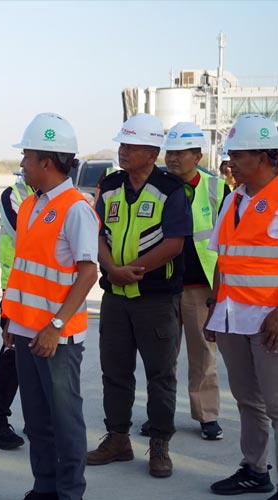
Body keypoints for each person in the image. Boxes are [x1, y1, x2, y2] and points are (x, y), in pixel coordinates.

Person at [87, 113, 192, 478]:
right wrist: (112, 269)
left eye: (131, 146)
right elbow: (97, 233)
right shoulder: (112, 184)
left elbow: (175, 244)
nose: (123, 151)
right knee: (115, 372)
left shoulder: (171, 189)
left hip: (156, 299)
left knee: (160, 375)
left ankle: (159, 445)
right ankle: (118, 439)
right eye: (122, 144)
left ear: (151, 152)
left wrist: (136, 267)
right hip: (115, 296)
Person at [2, 113, 99, 500]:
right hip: (26, 333)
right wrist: (11, 319)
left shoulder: (76, 209)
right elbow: (23, 270)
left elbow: (88, 273)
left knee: (66, 422)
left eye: (27, 156)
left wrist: (56, 326)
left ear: (46, 161)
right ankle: (44, 488)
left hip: (56, 338)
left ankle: (69, 493)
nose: (22, 163)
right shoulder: (31, 206)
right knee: (37, 422)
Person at [204, 114, 278, 498]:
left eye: (239, 155)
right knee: (248, 400)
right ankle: (255, 469)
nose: (230, 162)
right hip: (233, 316)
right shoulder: (233, 200)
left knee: (277, 403)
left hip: (269, 320)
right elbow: (224, 257)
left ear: (264, 157)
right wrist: (215, 307)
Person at [151, 122, 229, 442]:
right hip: (164, 284)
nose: (173, 159)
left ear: (197, 155)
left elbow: (226, 240)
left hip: (200, 287)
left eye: (181, 153)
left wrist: (221, 290)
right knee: (162, 357)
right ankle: (160, 415)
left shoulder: (217, 188)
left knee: (203, 357)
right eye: (170, 152)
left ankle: (207, 415)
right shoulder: (156, 186)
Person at [0, 175, 33, 451]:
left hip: (51, 291)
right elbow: (26, 232)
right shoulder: (13, 194)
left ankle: (38, 418)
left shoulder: (66, 195)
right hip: (15, 288)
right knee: (12, 355)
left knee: (47, 357)